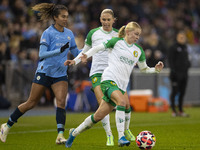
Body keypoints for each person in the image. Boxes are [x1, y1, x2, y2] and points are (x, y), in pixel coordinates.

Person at [64, 21, 164, 147]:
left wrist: (155, 69)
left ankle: (74, 133)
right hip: (108, 80)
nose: (138, 37)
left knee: (98, 116)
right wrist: (85, 56)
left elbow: (144, 69)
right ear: (128, 32)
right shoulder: (116, 42)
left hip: (120, 86)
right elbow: (97, 48)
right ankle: (121, 137)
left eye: (139, 35)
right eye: (136, 34)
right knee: (122, 102)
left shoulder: (138, 51)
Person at [0, 3, 81, 144]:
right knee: (31, 103)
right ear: (55, 17)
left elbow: (75, 52)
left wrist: (87, 53)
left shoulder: (69, 34)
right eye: (63, 16)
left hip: (60, 73)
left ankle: (60, 135)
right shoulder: (47, 33)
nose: (65, 19)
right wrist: (59, 51)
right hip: (44, 71)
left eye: (67, 17)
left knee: (61, 102)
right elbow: (42, 54)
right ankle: (6, 125)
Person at [73, 9, 135, 146]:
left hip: (114, 73)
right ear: (100, 20)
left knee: (126, 103)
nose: (106, 22)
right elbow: (85, 51)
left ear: (114, 20)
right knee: (103, 105)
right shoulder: (93, 33)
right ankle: (109, 136)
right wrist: (74, 61)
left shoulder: (119, 34)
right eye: (103, 19)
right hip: (98, 73)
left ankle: (126, 130)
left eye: (108, 19)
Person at [168, 31, 190, 117]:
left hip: (184, 74)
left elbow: (187, 59)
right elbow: (170, 61)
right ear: (177, 38)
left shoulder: (185, 47)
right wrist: (173, 72)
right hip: (176, 75)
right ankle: (173, 110)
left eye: (183, 37)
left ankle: (180, 110)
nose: (182, 39)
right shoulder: (173, 47)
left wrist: (188, 64)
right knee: (174, 92)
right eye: (180, 37)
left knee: (182, 92)